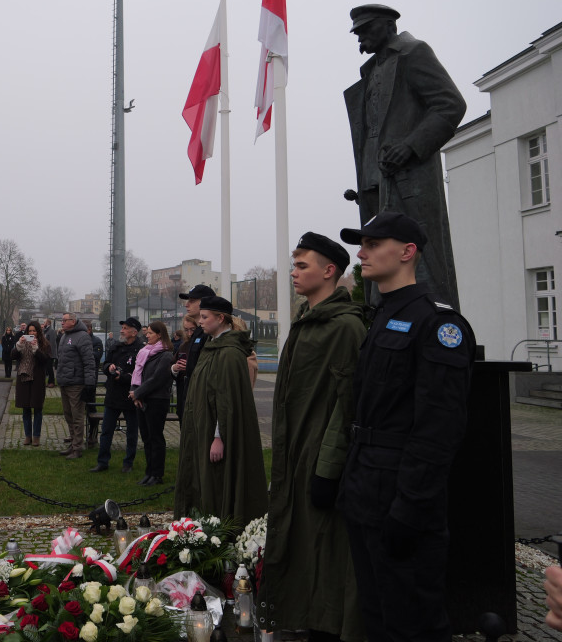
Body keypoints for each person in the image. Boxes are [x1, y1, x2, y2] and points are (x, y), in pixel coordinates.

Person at [337, 212, 475, 642]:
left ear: (407, 252)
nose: (361, 254)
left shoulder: (438, 324)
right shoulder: (383, 314)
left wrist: (410, 506)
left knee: (411, 622)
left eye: (373, 244)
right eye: (362, 245)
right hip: (365, 487)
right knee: (376, 615)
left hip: (401, 495)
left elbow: (439, 429)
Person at [262, 233, 366, 642]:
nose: (293, 272)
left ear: (329, 271)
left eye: (302, 266)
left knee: (327, 548)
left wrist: (327, 468)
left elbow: (348, 405)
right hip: (296, 455)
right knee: (303, 542)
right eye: (294, 265)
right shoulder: (309, 320)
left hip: (320, 460)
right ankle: (304, 615)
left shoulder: (345, 327)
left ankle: (328, 625)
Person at [344, 4, 467, 308]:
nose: (360, 38)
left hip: (409, 176)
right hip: (373, 179)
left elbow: (451, 105)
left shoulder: (413, 53)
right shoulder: (371, 71)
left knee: (421, 257)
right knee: (378, 255)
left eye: (365, 29)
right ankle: (383, 317)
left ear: (389, 25)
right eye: (357, 32)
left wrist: (411, 146)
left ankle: (430, 318)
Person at [174, 295, 268, 523]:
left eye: (205, 317)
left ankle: (218, 525)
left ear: (221, 318)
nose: (200, 322)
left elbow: (227, 401)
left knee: (217, 480)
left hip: (216, 432)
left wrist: (219, 437)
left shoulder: (229, 353)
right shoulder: (212, 346)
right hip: (203, 426)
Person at [90, 317, 143, 474]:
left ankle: (128, 463)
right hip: (113, 394)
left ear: (134, 332)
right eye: (122, 328)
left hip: (130, 395)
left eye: (125, 328)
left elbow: (141, 373)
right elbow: (106, 364)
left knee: (131, 432)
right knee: (106, 430)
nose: (122, 331)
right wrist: (109, 368)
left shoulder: (141, 349)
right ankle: (102, 461)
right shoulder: (116, 346)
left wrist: (124, 377)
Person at [129, 320, 175, 487]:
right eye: (146, 332)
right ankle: (149, 472)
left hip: (157, 400)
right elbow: (137, 373)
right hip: (143, 399)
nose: (146, 335)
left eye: (150, 333)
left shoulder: (166, 355)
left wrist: (137, 393)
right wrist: (135, 393)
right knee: (146, 437)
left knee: (155, 437)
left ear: (160, 335)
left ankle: (157, 474)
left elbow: (157, 379)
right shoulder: (145, 352)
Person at [171, 284, 215, 426]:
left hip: (201, 404)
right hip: (189, 399)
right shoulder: (197, 334)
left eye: (192, 300)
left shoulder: (209, 334)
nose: (187, 304)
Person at [55, 312, 96, 460]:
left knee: (77, 416)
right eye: (62, 320)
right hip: (65, 381)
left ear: (73, 321)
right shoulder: (64, 336)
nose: (62, 322)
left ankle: (78, 447)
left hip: (76, 383)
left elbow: (89, 361)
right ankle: (73, 444)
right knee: (68, 415)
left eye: (64, 320)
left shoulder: (82, 336)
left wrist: (89, 383)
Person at [13, 322, 50, 446]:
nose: (32, 333)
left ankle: (36, 436)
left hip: (37, 380)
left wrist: (36, 349)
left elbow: (45, 360)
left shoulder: (44, 344)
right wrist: (19, 345)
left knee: (37, 408)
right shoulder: (23, 343)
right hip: (23, 378)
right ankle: (27, 436)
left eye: (34, 331)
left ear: (38, 332)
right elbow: (12, 356)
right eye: (30, 331)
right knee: (26, 409)